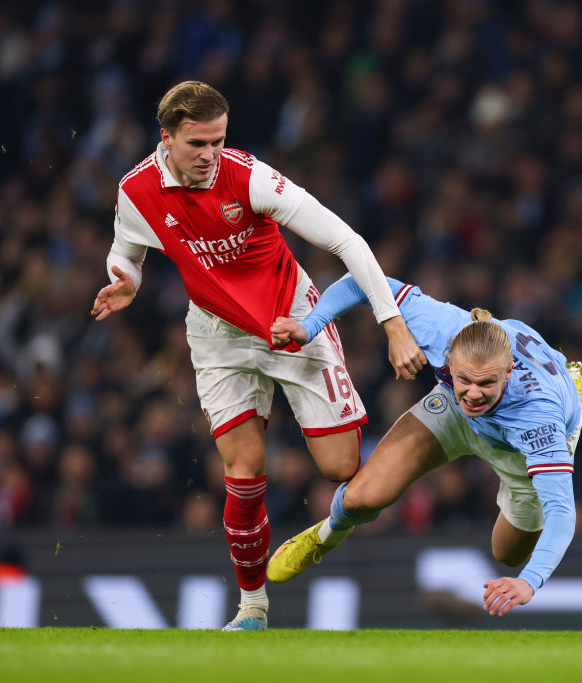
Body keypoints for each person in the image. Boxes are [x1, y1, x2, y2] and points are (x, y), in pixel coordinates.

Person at [90, 81, 425, 631]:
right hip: (217, 333)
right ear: (166, 138)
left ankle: (423, 441)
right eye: (198, 144)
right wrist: (124, 279)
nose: (210, 155)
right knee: (242, 474)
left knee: (341, 467)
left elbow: (347, 241)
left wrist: (392, 324)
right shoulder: (138, 190)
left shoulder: (250, 178)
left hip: (291, 319)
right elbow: (126, 245)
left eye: (219, 141)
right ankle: (253, 608)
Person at [267, 274, 582, 617]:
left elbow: (562, 513)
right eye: (465, 378)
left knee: (507, 553)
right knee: (361, 499)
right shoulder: (440, 327)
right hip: (452, 412)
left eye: (486, 383)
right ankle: (323, 536)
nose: (474, 393)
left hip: (516, 446)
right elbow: (359, 281)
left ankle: (576, 393)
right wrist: (311, 325)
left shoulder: (538, 418)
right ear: (450, 359)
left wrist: (528, 581)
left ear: (508, 372)